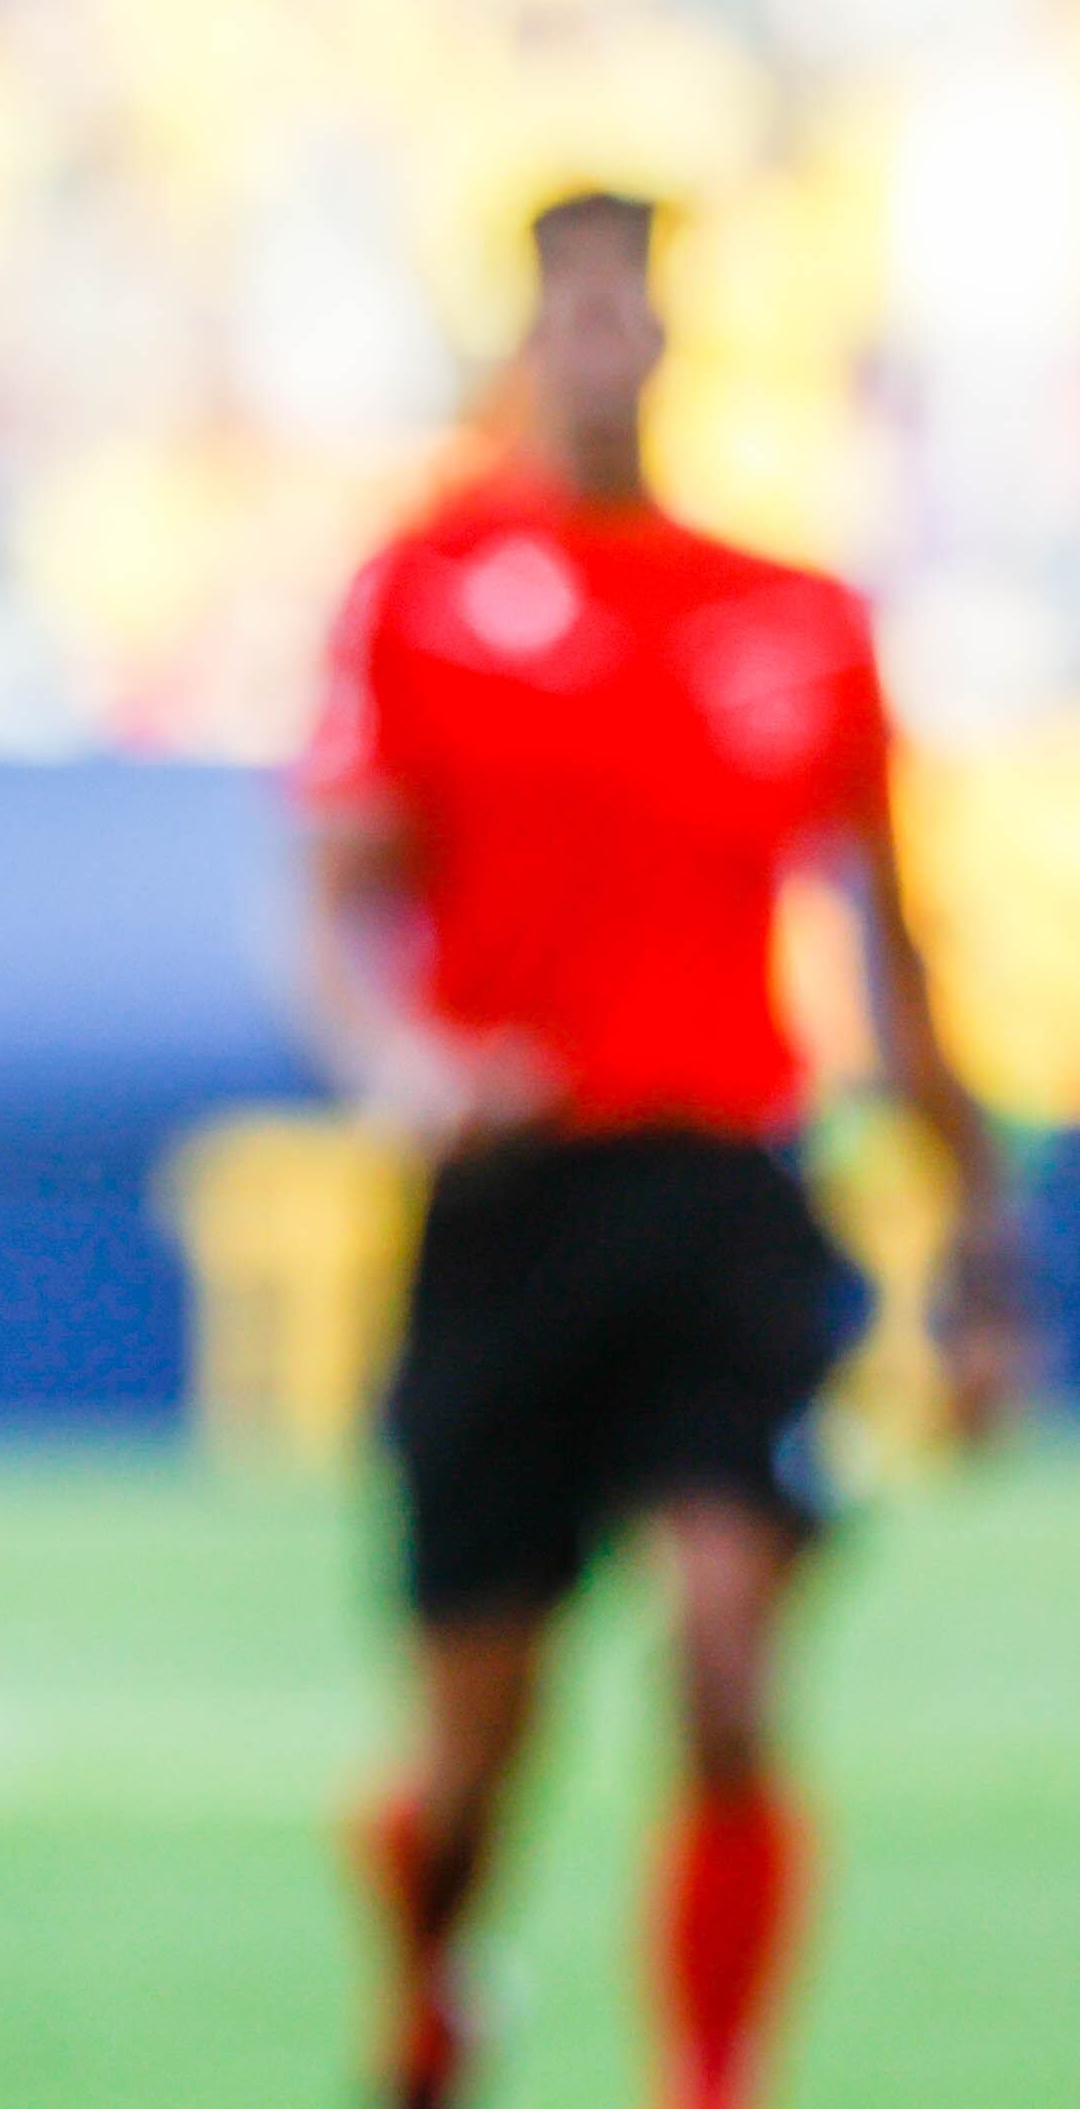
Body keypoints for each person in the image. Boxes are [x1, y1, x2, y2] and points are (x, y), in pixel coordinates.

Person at [301, 190, 1035, 2109]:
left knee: (727, 1645)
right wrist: (399, 1054)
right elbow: (337, 895)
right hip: (512, 1196)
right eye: (574, 310)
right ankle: (433, 1970)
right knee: (484, 1742)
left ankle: (712, 2081)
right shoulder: (426, 592)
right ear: (526, 340)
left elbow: (899, 957)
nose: (605, 342)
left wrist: (981, 1254)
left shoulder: (793, 618)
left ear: (669, 337)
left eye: (631, 307)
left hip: (722, 1192)